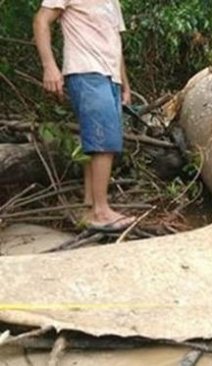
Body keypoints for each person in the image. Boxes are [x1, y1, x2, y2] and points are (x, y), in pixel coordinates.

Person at [34, 0, 135, 231]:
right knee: (104, 142)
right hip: (85, 70)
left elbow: (115, 43)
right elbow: (41, 20)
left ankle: (90, 204)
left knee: (97, 139)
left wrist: (124, 85)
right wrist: (49, 66)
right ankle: (101, 211)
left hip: (110, 77)